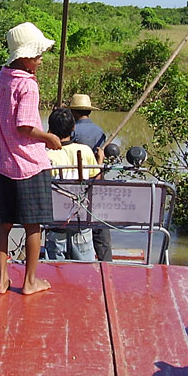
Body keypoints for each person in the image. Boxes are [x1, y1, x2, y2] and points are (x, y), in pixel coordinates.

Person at [0, 22, 61, 295]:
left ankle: (1, 280)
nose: (40, 60)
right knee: (34, 226)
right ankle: (30, 282)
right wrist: (49, 138)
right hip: (30, 165)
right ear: (23, 56)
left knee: (4, 224)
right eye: (36, 55)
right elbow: (24, 126)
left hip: (5, 163)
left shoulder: (0, 78)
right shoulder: (28, 86)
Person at [44, 108, 104, 261]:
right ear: (73, 128)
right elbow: (97, 182)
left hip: (55, 223)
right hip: (82, 222)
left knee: (54, 269)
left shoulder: (45, 155)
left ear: (49, 129)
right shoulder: (84, 151)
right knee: (85, 269)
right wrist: (100, 162)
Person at [69, 93, 113, 261]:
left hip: (75, 185)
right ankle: (106, 262)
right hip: (96, 181)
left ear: (73, 112)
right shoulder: (99, 131)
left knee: (75, 224)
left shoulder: (72, 132)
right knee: (100, 227)